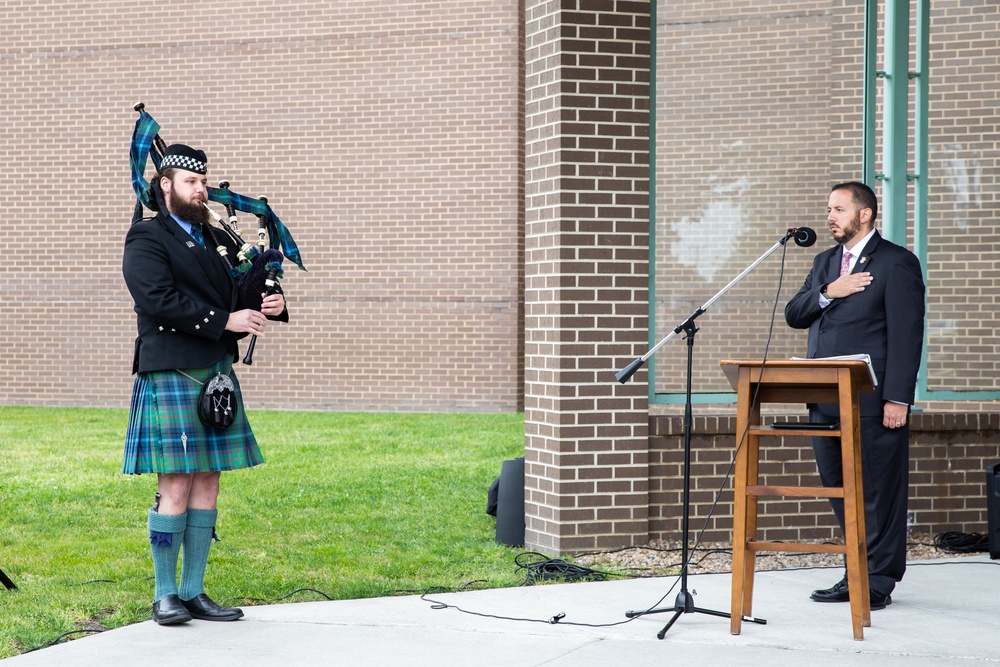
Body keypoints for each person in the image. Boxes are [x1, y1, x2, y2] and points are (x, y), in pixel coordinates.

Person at [122, 143, 287, 625]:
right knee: (175, 481)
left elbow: (243, 287)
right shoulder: (147, 238)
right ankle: (165, 593)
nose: (202, 190)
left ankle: (194, 591)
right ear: (165, 185)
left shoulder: (218, 236)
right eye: (192, 182)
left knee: (208, 481)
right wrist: (225, 319)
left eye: (203, 182)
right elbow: (158, 300)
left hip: (215, 371)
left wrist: (269, 300)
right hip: (172, 368)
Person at [784, 181, 925, 610]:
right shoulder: (826, 262)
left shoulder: (896, 263)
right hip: (825, 399)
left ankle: (878, 580)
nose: (830, 216)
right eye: (829, 208)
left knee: (877, 492)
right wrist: (831, 291)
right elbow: (795, 314)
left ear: (864, 214)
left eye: (839, 209)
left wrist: (898, 398)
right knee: (838, 488)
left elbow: (906, 335)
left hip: (873, 401)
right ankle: (855, 570)